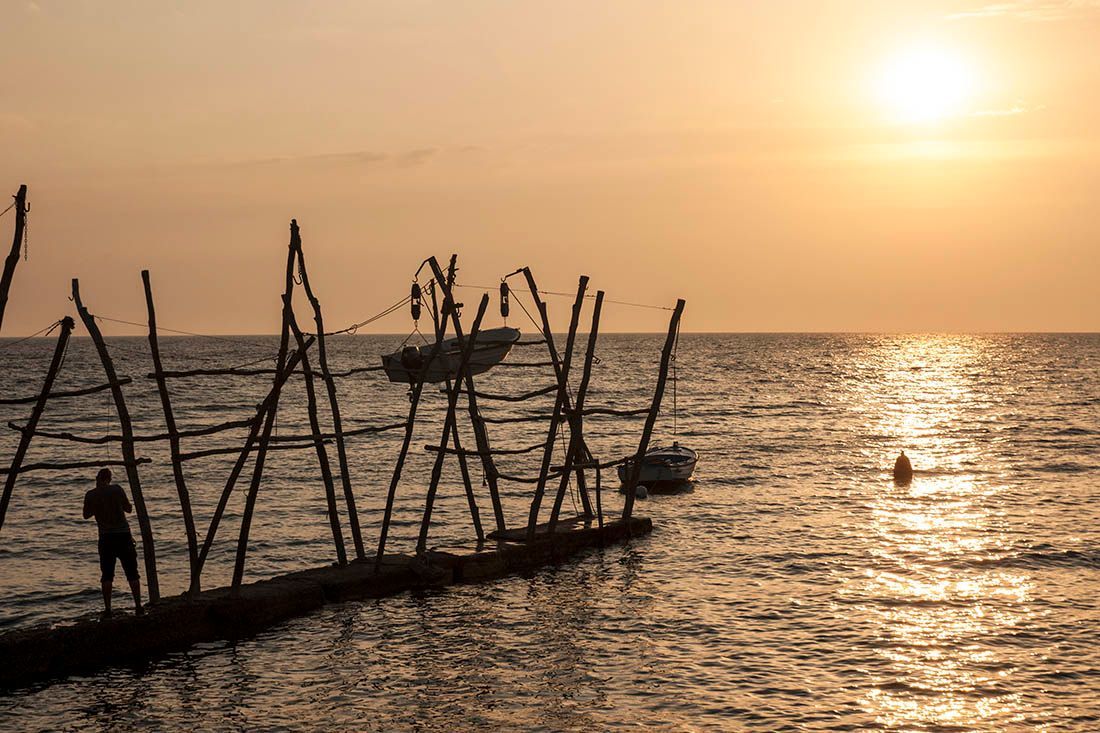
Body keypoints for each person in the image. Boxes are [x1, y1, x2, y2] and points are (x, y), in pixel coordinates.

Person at [83, 468, 143, 619]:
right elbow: (128, 509)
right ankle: (138, 606)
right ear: (109, 478)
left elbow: (86, 515)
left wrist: (98, 507)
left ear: (97, 478)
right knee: (132, 573)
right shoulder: (117, 489)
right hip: (123, 536)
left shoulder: (90, 494)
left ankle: (108, 609)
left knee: (107, 575)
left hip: (105, 538)